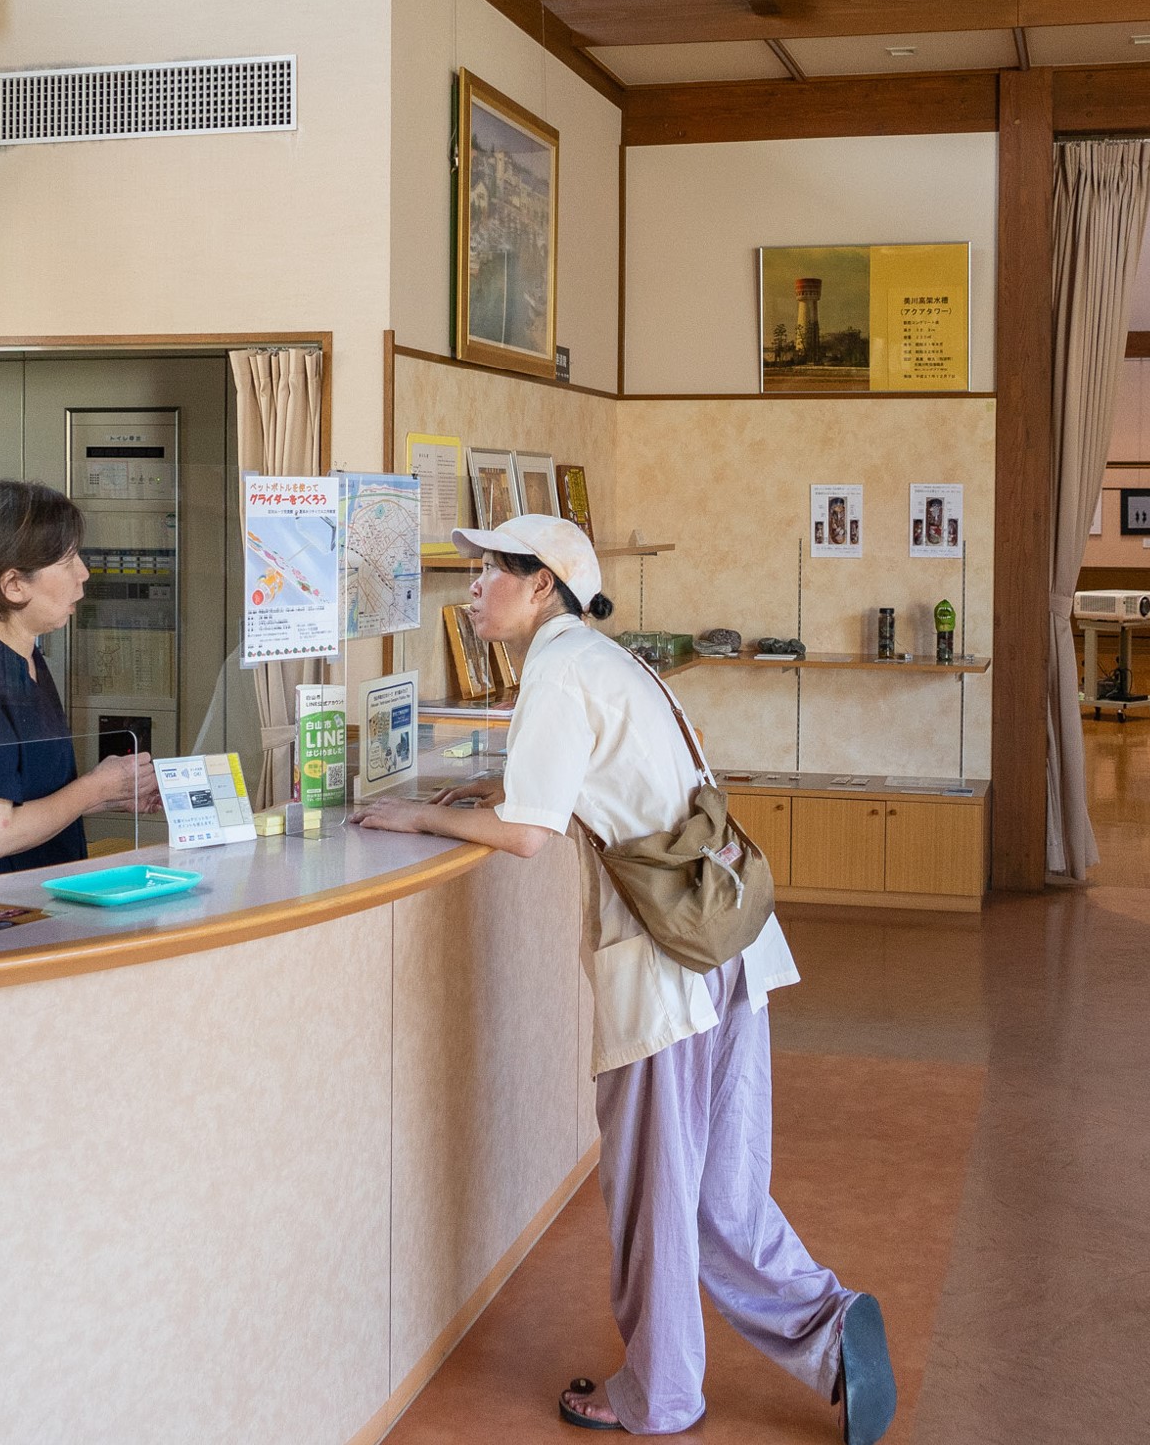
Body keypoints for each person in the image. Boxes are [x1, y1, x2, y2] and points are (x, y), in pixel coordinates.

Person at [350, 514, 895, 1441]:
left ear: (543, 587)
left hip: (664, 970)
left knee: (652, 1190)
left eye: (492, 572)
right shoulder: (606, 661)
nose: (473, 587)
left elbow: (530, 834)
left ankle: (660, 1392)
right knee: (722, 1190)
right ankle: (829, 1326)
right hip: (728, 944)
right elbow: (575, 791)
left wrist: (416, 821)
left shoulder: (556, 673)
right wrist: (483, 796)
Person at [0, 478, 156, 874]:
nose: (84, 573)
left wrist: (113, 792)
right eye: (68, 561)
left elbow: (33, 798)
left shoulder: (25, 657)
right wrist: (95, 787)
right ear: (14, 584)